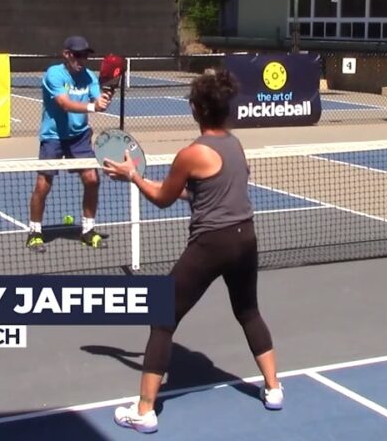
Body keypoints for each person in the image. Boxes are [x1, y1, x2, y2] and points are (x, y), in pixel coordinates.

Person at [102, 69, 282, 434]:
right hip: (245, 238)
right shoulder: (235, 144)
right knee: (248, 311)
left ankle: (145, 410)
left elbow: (164, 199)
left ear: (197, 109)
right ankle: (274, 389)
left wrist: (133, 176)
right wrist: (151, 180)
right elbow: (209, 190)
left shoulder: (191, 154)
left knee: (162, 317)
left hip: (212, 243)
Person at [26, 35, 113, 253]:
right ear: (67, 54)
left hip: (79, 136)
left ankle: (87, 230)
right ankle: (35, 233)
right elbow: (64, 104)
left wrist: (102, 101)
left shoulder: (89, 76)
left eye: (85, 55)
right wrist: (93, 108)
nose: (81, 59)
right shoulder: (54, 74)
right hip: (53, 136)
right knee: (42, 185)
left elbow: (96, 100)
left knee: (92, 179)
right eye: (77, 55)